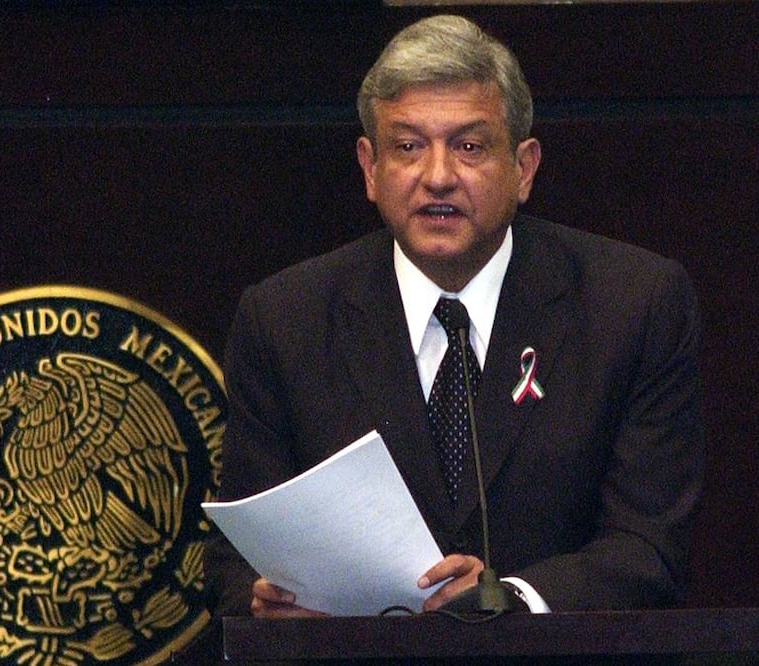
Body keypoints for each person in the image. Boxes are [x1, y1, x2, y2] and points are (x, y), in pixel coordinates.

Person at [204, 14, 704, 618]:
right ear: (370, 168)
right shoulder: (286, 319)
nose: (437, 177)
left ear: (524, 168)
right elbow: (234, 561)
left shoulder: (633, 304)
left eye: (469, 147)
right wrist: (266, 599)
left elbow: (649, 549)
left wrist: (508, 600)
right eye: (408, 147)